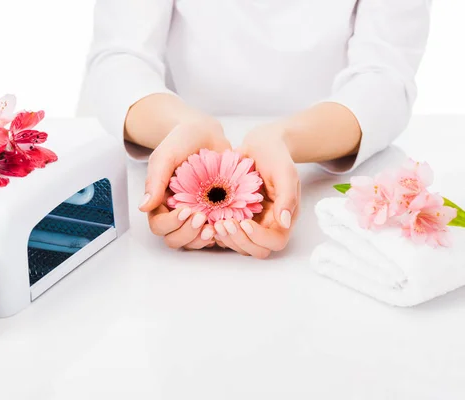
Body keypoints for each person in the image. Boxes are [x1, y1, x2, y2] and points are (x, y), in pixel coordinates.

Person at [78, 0, 431, 258]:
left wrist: (286, 140)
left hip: (323, 185)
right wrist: (182, 129)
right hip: (169, 149)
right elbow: (119, 59)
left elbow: (385, 81)